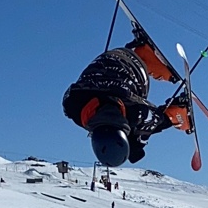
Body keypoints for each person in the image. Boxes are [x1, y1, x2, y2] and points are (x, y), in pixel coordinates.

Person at [62, 31, 191, 167]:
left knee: (143, 127)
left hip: (136, 69)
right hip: (113, 56)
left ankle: (177, 112)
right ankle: (141, 52)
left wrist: (139, 140)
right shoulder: (73, 107)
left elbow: (154, 120)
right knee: (134, 125)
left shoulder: (136, 113)